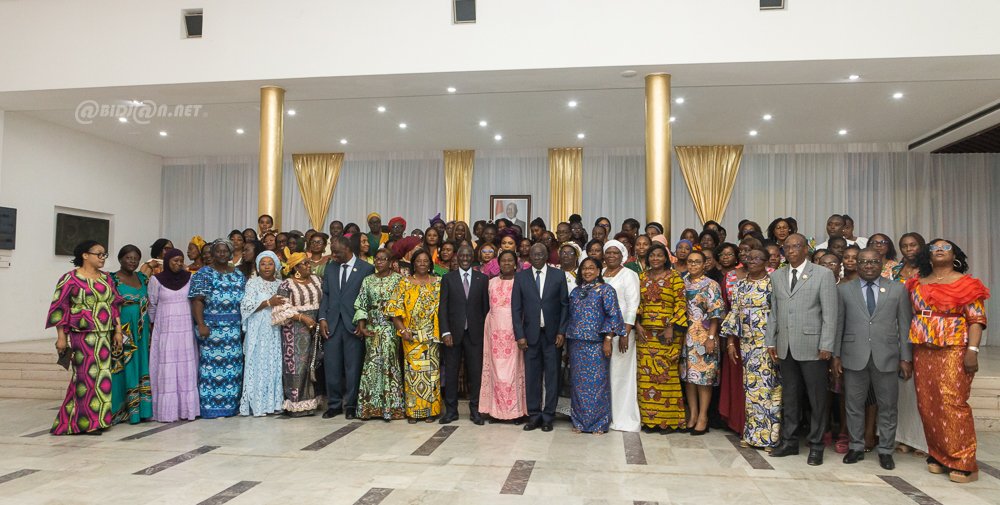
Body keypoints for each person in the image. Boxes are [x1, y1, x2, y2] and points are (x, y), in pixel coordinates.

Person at [906, 239, 989, 483]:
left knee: (953, 402)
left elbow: (976, 319)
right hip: (923, 349)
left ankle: (964, 461)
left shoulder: (967, 283)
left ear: (955, 256)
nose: (939, 250)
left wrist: (972, 350)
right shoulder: (916, 284)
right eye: (934, 248)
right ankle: (939, 455)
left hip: (954, 349)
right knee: (928, 403)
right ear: (928, 257)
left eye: (945, 247)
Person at [833, 249, 913, 470]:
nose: (869, 266)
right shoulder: (844, 290)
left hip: (887, 357)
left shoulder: (897, 289)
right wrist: (836, 355)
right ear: (856, 265)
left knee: (888, 406)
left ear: (882, 264)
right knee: (853, 405)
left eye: (874, 262)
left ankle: (886, 450)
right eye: (864, 262)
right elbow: (838, 324)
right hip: (853, 355)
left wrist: (906, 358)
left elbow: (905, 325)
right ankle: (856, 447)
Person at [766, 233, 838, 465]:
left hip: (813, 347)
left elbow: (830, 313)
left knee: (817, 398)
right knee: (791, 396)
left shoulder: (823, 274)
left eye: (796, 246)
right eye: (787, 247)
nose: (792, 250)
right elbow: (774, 312)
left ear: (806, 248)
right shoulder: (777, 276)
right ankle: (790, 442)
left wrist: (827, 344)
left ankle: (816, 445)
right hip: (785, 346)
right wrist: (771, 341)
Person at [48, 241, 123, 435]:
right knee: (85, 377)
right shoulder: (70, 278)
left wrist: (117, 331)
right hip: (82, 335)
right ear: (85, 255)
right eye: (98, 254)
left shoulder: (107, 278)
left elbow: (114, 305)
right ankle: (85, 422)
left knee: (103, 376)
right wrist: (61, 337)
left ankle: (100, 420)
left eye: (104, 254)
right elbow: (60, 308)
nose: (102, 258)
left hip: (104, 334)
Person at [721, 247, 780, 451]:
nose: (752, 261)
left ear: (766, 261)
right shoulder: (741, 285)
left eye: (757, 258)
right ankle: (752, 435)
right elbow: (734, 313)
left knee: (770, 389)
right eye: (749, 258)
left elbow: (779, 314)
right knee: (751, 389)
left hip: (769, 343)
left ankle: (770, 438)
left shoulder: (773, 284)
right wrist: (730, 343)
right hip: (747, 344)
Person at [512, 243, 569, 432]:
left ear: (547, 256)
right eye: (534, 254)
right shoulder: (521, 277)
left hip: (553, 336)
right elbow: (516, 309)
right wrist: (519, 335)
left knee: (552, 377)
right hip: (530, 337)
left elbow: (564, 306)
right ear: (530, 256)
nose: (537, 257)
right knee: (532, 377)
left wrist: (562, 331)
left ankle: (548, 416)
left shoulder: (558, 275)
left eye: (540, 254)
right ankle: (534, 415)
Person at [566, 257, 626, 434]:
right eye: (584, 268)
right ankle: (579, 423)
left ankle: (599, 424)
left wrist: (608, 339)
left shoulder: (606, 290)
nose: (587, 271)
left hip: (597, 344)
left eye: (591, 268)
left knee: (598, 384)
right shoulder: (576, 291)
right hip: (576, 343)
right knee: (578, 385)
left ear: (599, 271)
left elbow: (613, 316)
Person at [318, 236, 375, 420]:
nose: (333, 255)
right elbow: (326, 295)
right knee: (332, 367)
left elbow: (368, 299)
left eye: (337, 252)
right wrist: (322, 318)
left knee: (353, 367)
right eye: (332, 252)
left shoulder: (366, 269)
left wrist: (363, 321)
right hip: (332, 324)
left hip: (354, 325)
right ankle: (334, 405)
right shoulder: (331, 267)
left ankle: (351, 405)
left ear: (348, 249)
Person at [189, 239, 246, 418]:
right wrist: (201, 324)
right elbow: (197, 300)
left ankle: (231, 407)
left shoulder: (238, 274)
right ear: (213, 253)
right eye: (218, 251)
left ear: (230, 254)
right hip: (211, 329)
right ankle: (210, 408)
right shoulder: (203, 273)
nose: (222, 254)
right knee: (210, 370)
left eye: (225, 251)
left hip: (234, 329)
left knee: (233, 369)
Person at [633, 243, 687, 432]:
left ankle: (669, 421)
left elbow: (681, 303)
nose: (655, 259)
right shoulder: (640, 278)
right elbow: (635, 302)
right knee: (646, 377)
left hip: (667, 334)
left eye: (659, 255)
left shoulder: (675, 278)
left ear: (666, 258)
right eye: (652, 255)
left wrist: (672, 326)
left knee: (667, 377)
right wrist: (637, 324)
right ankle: (649, 420)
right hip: (645, 334)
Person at [438, 245, 491, 424]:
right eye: (462, 255)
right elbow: (442, 308)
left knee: (475, 373)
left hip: (475, 334)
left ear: (473, 257)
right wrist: (445, 331)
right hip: (453, 334)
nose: (466, 258)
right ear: (457, 257)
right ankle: (451, 411)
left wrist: (485, 332)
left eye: (469, 255)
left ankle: (475, 410)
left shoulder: (482, 279)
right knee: (451, 372)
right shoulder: (447, 278)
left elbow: (486, 310)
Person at [388, 249, 443, 423]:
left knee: (431, 375)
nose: (422, 263)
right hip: (411, 336)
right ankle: (414, 412)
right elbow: (394, 310)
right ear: (413, 263)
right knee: (412, 375)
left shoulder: (439, 283)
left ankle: (431, 411)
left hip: (432, 336)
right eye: (418, 261)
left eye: (426, 261)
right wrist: (403, 330)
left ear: (430, 264)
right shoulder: (404, 283)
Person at [148, 248, 200, 422]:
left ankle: (186, 410)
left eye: (180, 260)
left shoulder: (190, 277)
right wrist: (154, 326)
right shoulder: (156, 280)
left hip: (185, 329)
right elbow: (152, 305)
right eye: (174, 261)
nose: (178, 264)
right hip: (166, 330)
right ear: (167, 261)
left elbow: (194, 302)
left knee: (186, 367)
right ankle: (167, 412)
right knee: (167, 366)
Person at [353, 249, 406, 421]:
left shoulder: (398, 279)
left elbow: (402, 303)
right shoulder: (367, 280)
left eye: (383, 259)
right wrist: (362, 326)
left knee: (390, 365)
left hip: (391, 328)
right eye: (377, 259)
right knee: (371, 366)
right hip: (372, 327)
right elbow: (361, 304)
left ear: (391, 262)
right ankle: (370, 407)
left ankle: (392, 408)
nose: (379, 262)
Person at [271, 250, 325, 416]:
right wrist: (302, 318)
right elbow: (281, 308)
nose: (309, 266)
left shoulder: (317, 280)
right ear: (296, 267)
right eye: (305, 264)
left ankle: (311, 401)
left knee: (313, 362)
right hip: (295, 328)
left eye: (309, 263)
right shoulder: (287, 284)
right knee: (297, 364)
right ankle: (296, 403)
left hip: (315, 324)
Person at [888, 232, 927, 456]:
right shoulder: (894, 272)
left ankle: (921, 439)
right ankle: (903, 437)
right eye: (904, 246)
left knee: (918, 386)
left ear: (921, 246)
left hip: (921, 328)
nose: (909, 249)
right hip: (894, 328)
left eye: (913, 245)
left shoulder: (929, 271)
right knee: (901, 386)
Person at [480, 250, 528, 423]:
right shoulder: (491, 283)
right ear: (498, 264)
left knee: (513, 372)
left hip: (514, 332)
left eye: (510, 261)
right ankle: (495, 411)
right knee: (495, 371)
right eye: (503, 261)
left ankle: (515, 412)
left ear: (516, 263)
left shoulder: (521, 281)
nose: (506, 263)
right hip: (493, 332)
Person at [680, 250, 725, 435]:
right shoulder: (682, 282)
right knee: (689, 377)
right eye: (690, 262)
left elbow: (716, 314)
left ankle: (703, 417)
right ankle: (693, 415)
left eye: (697, 262)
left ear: (705, 264)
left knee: (704, 378)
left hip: (704, 336)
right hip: (685, 336)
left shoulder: (711, 285)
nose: (693, 265)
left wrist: (711, 338)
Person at [109, 245, 153, 425]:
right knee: (123, 366)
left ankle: (141, 411)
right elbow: (110, 305)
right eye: (128, 258)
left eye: (136, 258)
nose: (132, 261)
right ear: (120, 259)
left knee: (141, 364)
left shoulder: (143, 278)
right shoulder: (112, 279)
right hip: (123, 331)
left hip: (142, 332)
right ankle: (121, 411)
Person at [237, 251, 283, 417]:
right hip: (258, 329)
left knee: (273, 364)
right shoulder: (253, 283)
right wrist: (269, 302)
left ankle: (272, 403)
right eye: (262, 264)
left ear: (276, 265)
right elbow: (246, 306)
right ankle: (257, 404)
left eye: (270, 263)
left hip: (275, 329)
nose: (266, 267)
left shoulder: (281, 283)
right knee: (257, 365)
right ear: (258, 266)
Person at [600, 240, 641, 433]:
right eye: (608, 252)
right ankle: (604, 415)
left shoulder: (629, 275)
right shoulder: (600, 274)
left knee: (620, 375)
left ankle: (622, 417)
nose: (611, 256)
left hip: (622, 333)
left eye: (615, 253)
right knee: (604, 376)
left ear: (622, 255)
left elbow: (633, 304)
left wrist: (625, 331)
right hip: (600, 333)